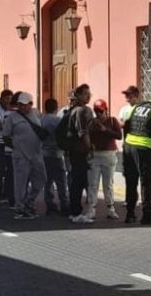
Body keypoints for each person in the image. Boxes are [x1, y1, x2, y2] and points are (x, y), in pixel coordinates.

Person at [122, 94, 151, 225]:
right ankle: (147, 214)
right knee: (146, 182)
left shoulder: (137, 107)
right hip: (144, 149)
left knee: (131, 182)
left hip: (129, 146)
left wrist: (126, 144)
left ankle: (130, 214)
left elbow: (126, 125)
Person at [3, 92, 47, 220]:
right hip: (21, 155)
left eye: (25, 104)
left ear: (31, 104)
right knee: (20, 183)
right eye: (20, 104)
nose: (22, 107)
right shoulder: (12, 117)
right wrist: (16, 147)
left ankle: (29, 201)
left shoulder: (36, 114)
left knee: (41, 179)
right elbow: (6, 136)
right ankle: (20, 208)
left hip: (36, 154)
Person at [86, 99, 122, 220]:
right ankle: (91, 208)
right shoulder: (91, 123)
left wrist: (105, 129)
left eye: (100, 111)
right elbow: (87, 136)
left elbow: (119, 135)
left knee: (108, 184)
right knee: (93, 183)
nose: (98, 114)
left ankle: (110, 208)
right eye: (96, 111)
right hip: (95, 155)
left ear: (106, 110)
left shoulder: (112, 121)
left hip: (109, 154)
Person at [66, 84, 95, 224]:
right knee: (78, 181)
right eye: (85, 94)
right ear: (78, 96)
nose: (88, 96)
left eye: (89, 93)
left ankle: (75, 211)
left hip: (77, 151)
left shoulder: (79, 110)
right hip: (78, 151)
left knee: (79, 181)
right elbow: (82, 132)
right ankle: (75, 212)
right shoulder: (79, 111)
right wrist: (89, 148)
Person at [41, 98, 69, 215]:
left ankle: (50, 204)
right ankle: (64, 204)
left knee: (47, 181)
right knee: (61, 180)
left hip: (44, 153)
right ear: (56, 108)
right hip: (56, 153)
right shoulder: (58, 121)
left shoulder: (41, 120)